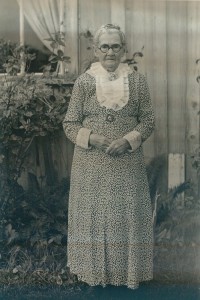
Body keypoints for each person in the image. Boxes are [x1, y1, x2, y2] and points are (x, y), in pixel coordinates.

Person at [63, 24, 155, 290]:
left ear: (123, 49)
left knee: (124, 215)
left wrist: (128, 141)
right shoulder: (84, 82)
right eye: (105, 46)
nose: (110, 52)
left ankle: (127, 276)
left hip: (126, 162)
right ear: (96, 50)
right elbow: (69, 124)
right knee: (94, 216)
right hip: (91, 163)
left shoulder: (137, 82)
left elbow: (148, 121)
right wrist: (92, 137)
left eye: (116, 46)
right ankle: (93, 276)